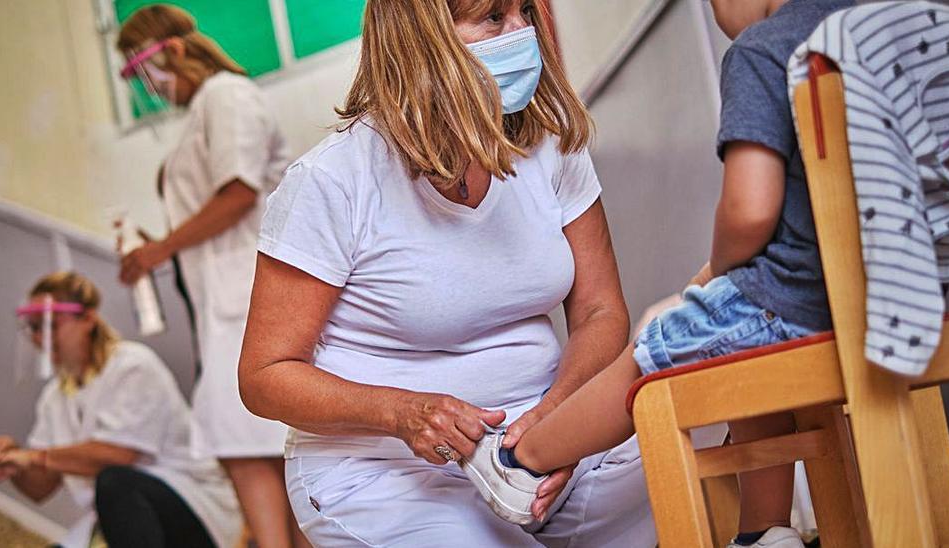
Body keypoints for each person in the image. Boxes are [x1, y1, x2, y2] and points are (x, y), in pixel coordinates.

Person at [237, 0, 655, 545]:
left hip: (546, 449)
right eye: (492, 18)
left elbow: (600, 309)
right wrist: (402, 412)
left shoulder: (550, 145)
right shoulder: (331, 181)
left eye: (525, 11)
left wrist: (561, 426)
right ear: (423, 38)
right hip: (384, 472)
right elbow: (264, 375)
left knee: (680, 450)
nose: (522, 33)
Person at [463, 1, 850, 547]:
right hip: (903, 292)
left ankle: (519, 460)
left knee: (656, 346)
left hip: (802, 302)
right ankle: (762, 534)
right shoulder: (897, 31)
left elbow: (750, 211)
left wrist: (723, 273)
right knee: (744, 357)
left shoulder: (764, 52)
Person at [114, 6, 301, 547]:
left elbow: (239, 191)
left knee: (259, 446)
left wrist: (161, 250)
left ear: (171, 51)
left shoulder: (227, 95)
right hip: (225, 307)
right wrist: (157, 248)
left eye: (138, 70)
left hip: (251, 301)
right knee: (246, 447)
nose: (143, 88)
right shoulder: (205, 107)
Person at [0, 271, 240, 548]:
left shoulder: (133, 365)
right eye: (35, 327)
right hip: (124, 524)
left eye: (51, 324)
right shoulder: (54, 396)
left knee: (114, 481)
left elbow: (118, 455)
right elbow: (41, 489)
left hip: (193, 512)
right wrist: (13, 460)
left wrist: (33, 456)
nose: (41, 337)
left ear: (88, 319)